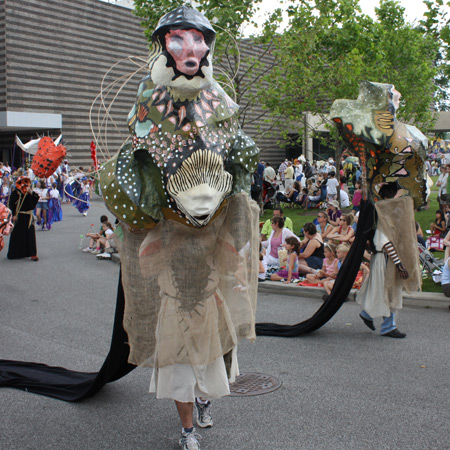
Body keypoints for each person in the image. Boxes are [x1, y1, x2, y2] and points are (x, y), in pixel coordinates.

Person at [356, 183, 421, 338]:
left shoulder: (385, 212)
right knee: (389, 291)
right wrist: (399, 263)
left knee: (384, 291)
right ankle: (387, 326)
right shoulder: (382, 213)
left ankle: (368, 315)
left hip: (384, 258)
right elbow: (386, 241)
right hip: (385, 258)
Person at [7, 176, 40, 261]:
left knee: (30, 235)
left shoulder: (30, 193)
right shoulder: (15, 193)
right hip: (19, 216)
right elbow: (11, 204)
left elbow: (33, 203)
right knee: (17, 234)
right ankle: (15, 253)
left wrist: (31, 193)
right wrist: (14, 214)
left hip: (28, 216)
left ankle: (33, 254)